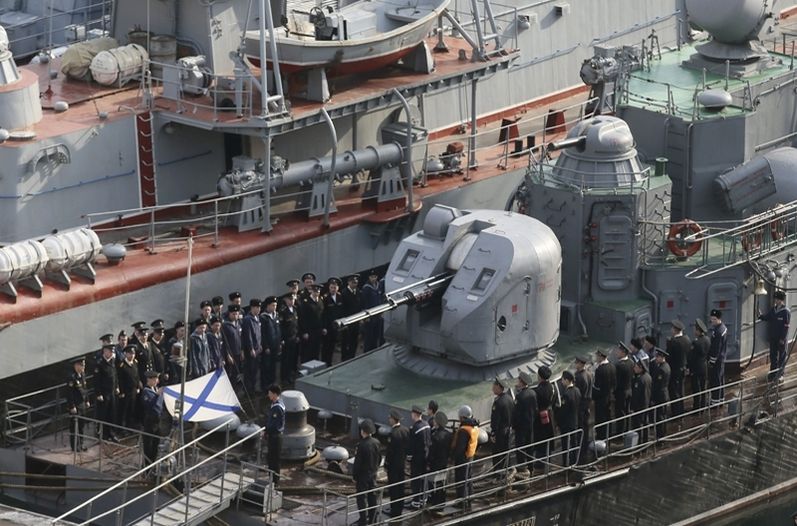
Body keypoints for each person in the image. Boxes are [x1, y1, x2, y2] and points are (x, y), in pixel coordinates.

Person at [352, 418, 381, 525]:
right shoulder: (377, 443)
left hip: (363, 476)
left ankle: (363, 519)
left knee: (361, 498)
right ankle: (373, 517)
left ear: (363, 431)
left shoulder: (361, 445)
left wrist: (354, 476)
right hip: (373, 474)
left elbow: (357, 463)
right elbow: (379, 458)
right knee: (372, 496)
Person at [759, 290, 790, 381]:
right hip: (773, 337)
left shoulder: (785, 312)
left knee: (781, 357)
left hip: (781, 339)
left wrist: (782, 338)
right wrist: (761, 316)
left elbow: (786, 326)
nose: (775, 301)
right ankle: (773, 373)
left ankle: (780, 374)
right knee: (773, 356)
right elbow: (768, 317)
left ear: (781, 300)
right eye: (775, 299)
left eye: (777, 299)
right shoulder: (774, 310)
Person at [451, 405, 479, 509]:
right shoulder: (474, 426)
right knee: (469, 479)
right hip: (470, 457)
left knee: (461, 480)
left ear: (462, 417)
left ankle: (461, 502)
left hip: (462, 459)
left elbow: (460, 448)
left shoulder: (463, 430)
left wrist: (453, 457)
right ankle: (470, 498)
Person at [385, 409, 409, 518]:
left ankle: (394, 510)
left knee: (393, 488)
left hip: (393, 465)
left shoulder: (393, 433)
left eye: (390, 418)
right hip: (402, 463)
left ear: (394, 419)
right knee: (401, 486)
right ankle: (400, 507)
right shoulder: (406, 430)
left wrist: (386, 464)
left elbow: (390, 452)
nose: (389, 419)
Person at [512, 371, 537, 476]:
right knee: (530, 447)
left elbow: (516, 414)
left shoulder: (520, 396)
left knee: (521, 449)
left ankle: (522, 470)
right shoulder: (533, 393)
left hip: (521, 427)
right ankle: (531, 468)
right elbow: (535, 409)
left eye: (518, 380)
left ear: (521, 382)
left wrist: (513, 426)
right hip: (530, 425)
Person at [95, 344, 120, 442]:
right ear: (105, 351)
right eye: (110, 351)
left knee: (112, 413)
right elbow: (97, 381)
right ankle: (103, 434)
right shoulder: (99, 364)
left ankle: (111, 433)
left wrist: (117, 386)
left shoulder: (112, 362)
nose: (112, 353)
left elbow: (115, 375)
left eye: (112, 351)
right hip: (104, 393)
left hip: (112, 391)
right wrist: (98, 393)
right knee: (103, 414)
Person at [533, 366, 557, 470]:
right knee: (548, 437)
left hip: (540, 417)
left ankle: (540, 463)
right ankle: (548, 459)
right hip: (549, 415)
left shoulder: (538, 390)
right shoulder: (551, 387)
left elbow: (536, 405)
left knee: (540, 440)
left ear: (539, 376)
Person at [490, 377, 514, 478]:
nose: (492, 388)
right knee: (505, 452)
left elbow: (495, 420)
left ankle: (498, 475)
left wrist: (493, 433)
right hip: (508, 429)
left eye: (494, 386)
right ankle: (506, 471)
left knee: (497, 453)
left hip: (500, 432)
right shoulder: (509, 398)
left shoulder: (498, 402)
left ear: (499, 387)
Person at [408, 405, 431, 508]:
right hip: (426, 457)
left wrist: (409, 457)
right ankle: (423, 499)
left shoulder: (415, 428)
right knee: (424, 478)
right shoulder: (427, 425)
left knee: (416, 479)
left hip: (417, 458)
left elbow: (412, 446)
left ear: (415, 414)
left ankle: (416, 502)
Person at [666, 319, 690, 417]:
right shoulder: (687, 339)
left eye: (672, 328)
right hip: (683, 369)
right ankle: (680, 409)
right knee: (680, 390)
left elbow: (669, 357)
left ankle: (676, 413)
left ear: (675, 330)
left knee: (674, 391)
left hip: (675, 370)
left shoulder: (673, 342)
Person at [140, 371, 164, 466]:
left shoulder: (155, 389)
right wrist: (157, 395)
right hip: (150, 421)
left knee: (156, 444)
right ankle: (147, 465)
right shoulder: (146, 392)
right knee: (148, 445)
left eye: (157, 379)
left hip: (158, 419)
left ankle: (153, 463)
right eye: (154, 379)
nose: (156, 381)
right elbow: (149, 405)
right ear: (149, 380)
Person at [428, 411, 451, 507]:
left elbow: (431, 451)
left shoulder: (434, 436)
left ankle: (435, 502)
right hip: (444, 461)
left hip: (435, 463)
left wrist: (428, 462)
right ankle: (442, 500)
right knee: (442, 482)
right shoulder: (448, 434)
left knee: (434, 482)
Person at [66, 357, 89, 452]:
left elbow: (84, 389)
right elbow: (69, 393)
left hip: (82, 404)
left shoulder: (82, 375)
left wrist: (87, 400)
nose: (83, 367)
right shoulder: (71, 377)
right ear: (76, 365)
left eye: (84, 365)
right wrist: (72, 406)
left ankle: (81, 444)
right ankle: (74, 446)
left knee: (81, 426)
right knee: (74, 427)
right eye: (82, 365)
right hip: (75, 406)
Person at [592, 348, 616, 441]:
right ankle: (608, 437)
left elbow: (596, 386)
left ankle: (601, 439)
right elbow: (614, 383)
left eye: (598, 356)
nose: (597, 357)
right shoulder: (612, 366)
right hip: (609, 397)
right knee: (608, 417)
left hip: (601, 399)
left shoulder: (600, 370)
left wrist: (593, 396)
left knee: (600, 419)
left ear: (601, 357)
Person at [558, 370, 581, 466]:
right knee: (574, 443)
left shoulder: (566, 394)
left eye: (563, 380)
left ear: (567, 380)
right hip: (575, 421)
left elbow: (563, 411)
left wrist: (559, 423)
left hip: (566, 424)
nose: (562, 381)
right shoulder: (577, 391)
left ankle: (566, 464)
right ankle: (575, 461)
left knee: (565, 445)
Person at [573, 355, 593, 464]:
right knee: (585, 427)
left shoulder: (579, 377)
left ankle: (581, 450)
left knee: (581, 427)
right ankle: (584, 447)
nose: (575, 364)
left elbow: (578, 394)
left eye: (576, 362)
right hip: (587, 404)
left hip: (581, 406)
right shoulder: (589, 374)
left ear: (581, 364)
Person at [265, 384, 286, 485]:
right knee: (271, 458)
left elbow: (274, 425)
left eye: (269, 393)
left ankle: (275, 482)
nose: (268, 395)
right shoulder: (275, 404)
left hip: (276, 436)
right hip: (272, 436)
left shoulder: (277, 408)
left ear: (274, 394)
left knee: (275, 460)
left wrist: (266, 430)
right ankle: (271, 479)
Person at [117, 345, 141, 430]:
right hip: (126, 392)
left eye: (133, 353)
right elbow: (120, 380)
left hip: (133, 390)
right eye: (130, 353)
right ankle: (122, 428)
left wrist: (138, 386)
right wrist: (122, 392)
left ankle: (130, 425)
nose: (132, 355)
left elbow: (137, 375)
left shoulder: (135, 362)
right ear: (126, 354)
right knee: (124, 410)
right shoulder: (122, 365)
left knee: (132, 408)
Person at [321, 277, 344, 366]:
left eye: (335, 287)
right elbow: (323, 314)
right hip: (328, 327)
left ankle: (329, 363)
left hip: (336, 326)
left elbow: (341, 311)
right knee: (325, 347)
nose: (333, 289)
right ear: (329, 288)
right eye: (331, 287)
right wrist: (324, 327)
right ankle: (324, 363)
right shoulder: (325, 298)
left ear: (337, 288)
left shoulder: (340, 297)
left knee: (332, 346)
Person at [260, 296, 282, 391]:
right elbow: (263, 334)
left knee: (274, 365)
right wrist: (266, 346)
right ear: (268, 306)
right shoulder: (264, 317)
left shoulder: (276, 315)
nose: (274, 307)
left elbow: (278, 330)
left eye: (275, 305)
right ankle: (265, 384)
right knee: (266, 366)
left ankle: (273, 383)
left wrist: (280, 342)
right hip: (268, 346)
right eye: (273, 305)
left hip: (275, 345)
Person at [688, 318, 710, 410]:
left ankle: (697, 408)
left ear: (698, 330)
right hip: (704, 366)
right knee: (703, 387)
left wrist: (689, 368)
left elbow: (692, 357)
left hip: (696, 368)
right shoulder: (707, 339)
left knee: (696, 389)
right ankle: (703, 406)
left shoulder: (696, 342)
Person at [360, 270, 385, 352]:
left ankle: (374, 350)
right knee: (369, 337)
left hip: (378, 313)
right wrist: (365, 316)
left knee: (376, 335)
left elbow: (380, 298)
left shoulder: (379, 285)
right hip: (370, 315)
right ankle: (367, 352)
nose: (373, 278)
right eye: (372, 277)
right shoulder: (366, 288)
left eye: (375, 277)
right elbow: (364, 302)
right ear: (369, 278)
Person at [708, 309, 728, 406]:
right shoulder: (722, 328)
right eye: (712, 319)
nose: (712, 321)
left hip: (717, 360)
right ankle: (721, 399)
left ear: (719, 319)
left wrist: (712, 361)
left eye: (714, 319)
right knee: (720, 378)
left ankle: (715, 401)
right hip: (722, 358)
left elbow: (716, 348)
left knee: (716, 379)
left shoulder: (718, 331)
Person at [242, 299, 262, 393]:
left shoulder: (257, 318)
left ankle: (254, 387)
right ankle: (248, 390)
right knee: (249, 370)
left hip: (257, 347)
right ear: (252, 307)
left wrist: (260, 344)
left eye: (259, 307)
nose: (259, 309)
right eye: (257, 307)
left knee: (255, 369)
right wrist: (251, 348)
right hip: (251, 349)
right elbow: (248, 335)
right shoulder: (247, 319)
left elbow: (259, 333)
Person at [299, 284, 324, 362]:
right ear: (312, 291)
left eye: (318, 291)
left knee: (316, 350)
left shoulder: (320, 301)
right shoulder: (306, 303)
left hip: (318, 330)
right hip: (309, 331)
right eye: (315, 291)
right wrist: (304, 332)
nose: (317, 293)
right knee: (308, 351)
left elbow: (322, 315)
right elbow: (303, 318)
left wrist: (323, 327)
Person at [279, 293, 300, 384]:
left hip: (294, 337)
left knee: (292, 358)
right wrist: (281, 339)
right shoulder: (283, 311)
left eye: (293, 299)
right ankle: (284, 377)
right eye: (290, 300)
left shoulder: (295, 309)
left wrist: (297, 335)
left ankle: (290, 375)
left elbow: (296, 324)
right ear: (286, 300)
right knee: (285, 359)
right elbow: (281, 327)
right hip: (286, 339)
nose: (292, 301)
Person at [630, 357, 652, 443]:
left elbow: (636, 396)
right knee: (645, 424)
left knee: (638, 426)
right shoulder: (648, 377)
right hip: (645, 405)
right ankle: (645, 442)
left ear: (641, 368)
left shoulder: (640, 380)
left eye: (636, 367)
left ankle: (639, 443)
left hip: (639, 407)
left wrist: (632, 408)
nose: (634, 368)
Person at [341, 274, 362, 361]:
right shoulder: (344, 293)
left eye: (356, 282)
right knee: (346, 341)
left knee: (354, 340)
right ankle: (345, 358)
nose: (355, 284)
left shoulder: (357, 291)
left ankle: (352, 357)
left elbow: (359, 304)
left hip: (356, 320)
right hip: (347, 321)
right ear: (349, 282)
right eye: (353, 283)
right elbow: (342, 309)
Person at [614, 343, 633, 435]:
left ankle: (620, 432)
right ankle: (627, 429)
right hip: (629, 390)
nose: (617, 352)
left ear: (623, 352)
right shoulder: (631, 362)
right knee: (627, 411)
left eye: (619, 351)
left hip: (621, 392)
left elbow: (615, 381)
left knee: (620, 412)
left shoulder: (618, 365)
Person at [651, 348, 671, 438]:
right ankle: (662, 434)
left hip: (660, 395)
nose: (656, 358)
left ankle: (661, 436)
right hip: (664, 393)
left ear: (662, 357)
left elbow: (657, 385)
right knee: (662, 415)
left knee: (660, 416)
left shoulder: (661, 369)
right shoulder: (666, 366)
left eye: (657, 357)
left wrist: (653, 397)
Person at [222, 304, 243, 386]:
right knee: (230, 374)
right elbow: (224, 342)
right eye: (233, 314)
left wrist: (242, 350)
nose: (235, 316)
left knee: (236, 374)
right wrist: (227, 354)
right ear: (229, 314)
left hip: (238, 352)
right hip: (231, 354)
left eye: (237, 314)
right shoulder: (225, 325)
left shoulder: (238, 323)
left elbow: (241, 338)